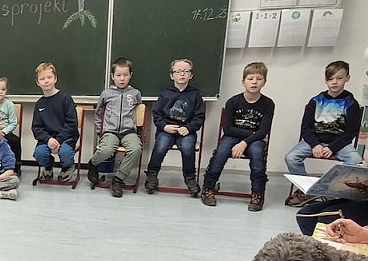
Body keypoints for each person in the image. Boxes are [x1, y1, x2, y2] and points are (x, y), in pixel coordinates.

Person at [284, 60, 362, 206]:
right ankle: (308, 191)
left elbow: (350, 133)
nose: (335, 82)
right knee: (291, 157)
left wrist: (332, 148)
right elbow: (306, 128)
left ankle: (333, 191)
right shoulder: (315, 101)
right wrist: (315, 145)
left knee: (356, 161)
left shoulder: (351, 104)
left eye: (339, 78)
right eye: (331, 78)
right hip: (315, 142)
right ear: (325, 80)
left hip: (339, 144)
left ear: (347, 78)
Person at [201, 61, 274, 212]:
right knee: (220, 153)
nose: (254, 82)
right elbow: (227, 129)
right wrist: (249, 136)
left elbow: (263, 131)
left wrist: (245, 142)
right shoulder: (233, 101)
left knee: (257, 155)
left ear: (264, 82)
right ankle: (208, 188)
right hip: (234, 136)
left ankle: (257, 193)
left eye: (259, 79)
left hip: (255, 140)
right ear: (243, 82)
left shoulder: (268, 104)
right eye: (250, 78)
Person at [144, 58, 204, 196]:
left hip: (186, 130)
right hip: (166, 130)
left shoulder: (195, 94)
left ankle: (190, 178)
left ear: (191, 75)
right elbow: (157, 114)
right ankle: (152, 175)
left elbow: (199, 117)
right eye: (178, 71)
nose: (182, 74)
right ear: (172, 75)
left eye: (186, 71)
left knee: (188, 147)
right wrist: (165, 126)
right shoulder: (165, 93)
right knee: (161, 146)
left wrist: (189, 128)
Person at [87, 59, 142, 198]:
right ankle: (93, 164)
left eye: (125, 75)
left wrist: (138, 132)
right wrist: (100, 131)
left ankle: (118, 179)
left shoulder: (135, 93)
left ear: (130, 75)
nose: (122, 78)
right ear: (112, 76)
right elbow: (98, 113)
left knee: (136, 149)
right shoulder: (107, 93)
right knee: (106, 149)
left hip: (129, 132)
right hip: (110, 131)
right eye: (118, 75)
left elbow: (139, 111)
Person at [30, 63, 79, 185]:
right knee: (39, 154)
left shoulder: (65, 98)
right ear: (37, 82)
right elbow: (36, 128)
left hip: (66, 137)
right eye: (42, 79)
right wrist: (48, 140)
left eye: (49, 77)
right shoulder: (39, 104)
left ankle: (67, 167)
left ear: (55, 79)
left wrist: (58, 140)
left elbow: (72, 123)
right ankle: (48, 165)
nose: (46, 81)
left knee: (65, 153)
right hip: (47, 140)